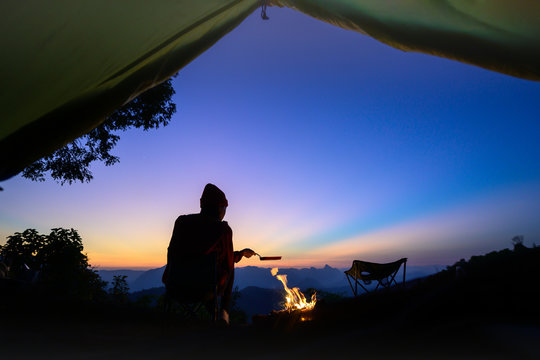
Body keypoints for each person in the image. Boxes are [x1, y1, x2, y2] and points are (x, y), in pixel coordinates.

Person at [162, 183, 255, 324]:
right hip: (203, 290)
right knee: (228, 268)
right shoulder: (223, 229)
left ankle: (214, 312)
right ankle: (223, 313)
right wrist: (237, 256)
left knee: (208, 270)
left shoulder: (181, 222)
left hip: (175, 285)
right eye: (225, 208)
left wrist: (240, 254)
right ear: (220, 207)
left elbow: (184, 252)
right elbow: (227, 261)